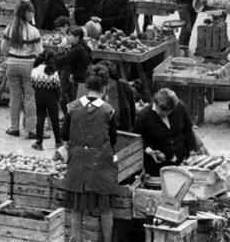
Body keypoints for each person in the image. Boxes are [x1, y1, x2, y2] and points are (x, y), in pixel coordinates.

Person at [61, 71, 120, 242]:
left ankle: (76, 239)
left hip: (77, 164)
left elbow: (64, 134)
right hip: (101, 164)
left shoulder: (73, 108)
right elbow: (114, 138)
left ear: (86, 87)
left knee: (77, 208)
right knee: (105, 208)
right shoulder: (108, 110)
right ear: (104, 88)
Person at [1, 1, 43, 138]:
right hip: (28, 65)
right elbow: (39, 52)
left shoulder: (9, 29)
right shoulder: (33, 31)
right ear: (26, 13)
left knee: (15, 97)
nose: (33, 15)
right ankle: (30, 130)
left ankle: (14, 128)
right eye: (32, 12)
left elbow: (3, 48)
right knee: (30, 98)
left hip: (12, 64)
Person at [134, 88, 198, 176]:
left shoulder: (180, 108)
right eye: (161, 111)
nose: (164, 114)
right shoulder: (144, 116)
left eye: (168, 112)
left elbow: (188, 130)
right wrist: (149, 150)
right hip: (157, 167)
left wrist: (192, 151)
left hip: (180, 162)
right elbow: (136, 138)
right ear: (156, 103)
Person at [31, 50, 62, 150]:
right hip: (52, 99)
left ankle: (39, 143)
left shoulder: (35, 70)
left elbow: (33, 85)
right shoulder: (53, 72)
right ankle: (58, 142)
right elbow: (57, 87)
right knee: (55, 120)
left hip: (39, 98)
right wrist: (57, 98)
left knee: (40, 120)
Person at [56, 26, 92, 106]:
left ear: (77, 37)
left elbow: (65, 59)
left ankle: (72, 117)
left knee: (78, 102)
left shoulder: (78, 49)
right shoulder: (79, 45)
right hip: (79, 78)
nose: (67, 37)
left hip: (80, 80)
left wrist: (53, 58)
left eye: (69, 35)